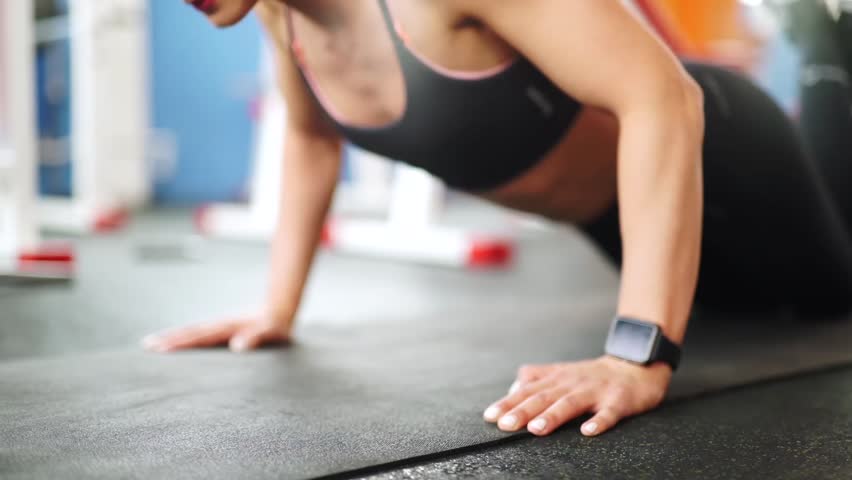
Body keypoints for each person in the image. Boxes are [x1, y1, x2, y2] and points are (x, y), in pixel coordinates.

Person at [148, 0, 852, 437]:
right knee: (743, 313)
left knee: (835, 295)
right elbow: (310, 138)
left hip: (727, 158)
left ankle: (825, 34)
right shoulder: (281, 17)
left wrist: (636, 355)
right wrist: (277, 308)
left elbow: (663, 97)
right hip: (620, 222)